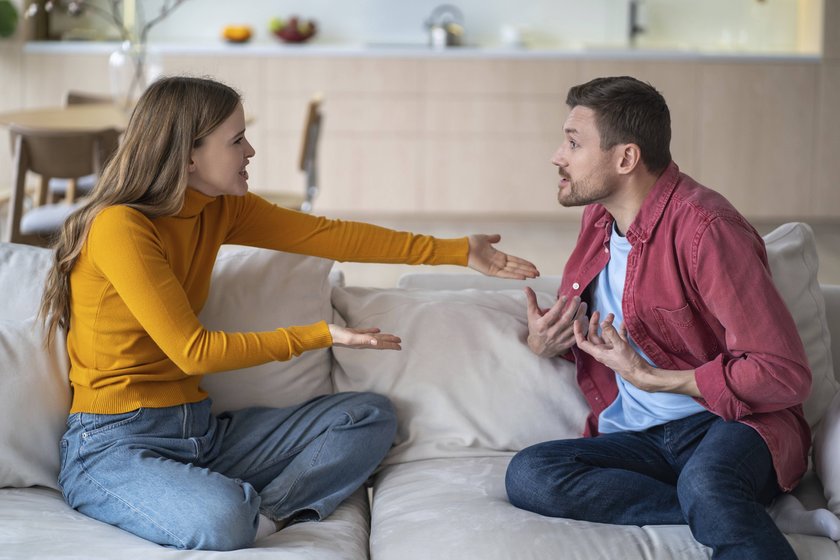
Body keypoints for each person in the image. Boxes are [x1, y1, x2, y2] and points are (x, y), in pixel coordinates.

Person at [38, 76, 539, 551]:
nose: (250, 151)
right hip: (115, 447)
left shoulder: (219, 207)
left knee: (366, 415)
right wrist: (318, 334)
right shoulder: (119, 228)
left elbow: (329, 235)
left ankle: (271, 515)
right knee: (221, 519)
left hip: (201, 432)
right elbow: (193, 353)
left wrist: (455, 250)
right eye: (237, 140)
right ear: (189, 155)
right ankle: (237, 512)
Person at [503, 75, 836, 559]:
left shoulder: (707, 230)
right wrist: (545, 341)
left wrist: (657, 379)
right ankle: (742, 507)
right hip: (640, 436)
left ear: (626, 158)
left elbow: (783, 374)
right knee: (530, 475)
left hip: (728, 423)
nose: (558, 155)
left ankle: (723, 498)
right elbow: (608, 326)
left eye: (574, 143)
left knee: (707, 481)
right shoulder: (599, 220)